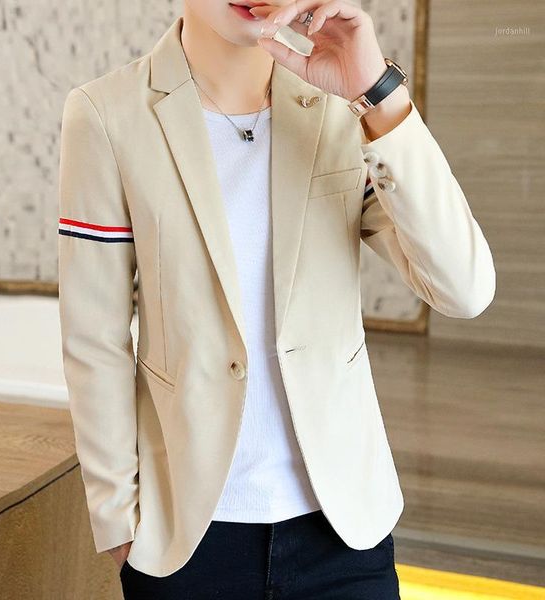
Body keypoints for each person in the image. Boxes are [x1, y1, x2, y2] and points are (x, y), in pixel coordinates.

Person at [57, 1, 496, 598]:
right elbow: (94, 336)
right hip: (189, 537)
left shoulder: (344, 105)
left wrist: (378, 93)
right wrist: (117, 520)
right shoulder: (106, 113)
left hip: (343, 533)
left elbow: (463, 289)